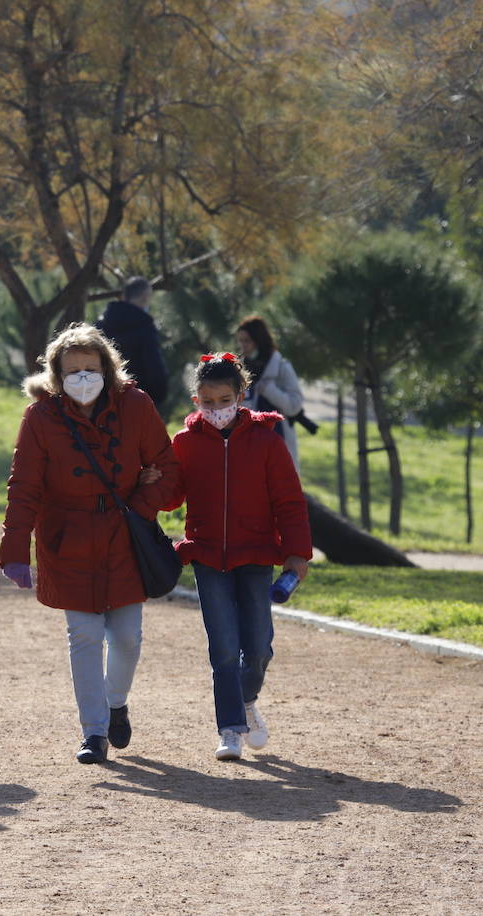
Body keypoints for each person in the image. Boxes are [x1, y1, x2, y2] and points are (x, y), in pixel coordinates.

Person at [0, 323, 180, 765]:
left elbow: (168, 469)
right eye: (73, 370)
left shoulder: (135, 405)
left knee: (128, 637)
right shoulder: (40, 417)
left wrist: (142, 503)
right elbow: (24, 486)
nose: (83, 377)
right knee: (83, 636)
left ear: (108, 368)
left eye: (91, 368)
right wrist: (15, 550)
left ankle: (115, 703)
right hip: (67, 539)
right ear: (57, 375)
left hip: (124, 537)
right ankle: (94, 731)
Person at [163, 352, 312, 761]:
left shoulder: (267, 440)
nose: (216, 410)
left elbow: (289, 501)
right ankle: (229, 728)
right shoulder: (184, 442)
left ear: (242, 395)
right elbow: (173, 498)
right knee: (224, 648)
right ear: (196, 399)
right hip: (208, 558)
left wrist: (297, 554)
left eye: (224, 400)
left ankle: (246, 701)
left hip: (256, 556)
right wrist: (153, 479)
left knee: (260, 647)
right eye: (206, 402)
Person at [236, 315, 309, 470]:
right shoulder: (239, 369)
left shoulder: (282, 368)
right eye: (240, 341)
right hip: (248, 446)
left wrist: (270, 391)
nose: (243, 346)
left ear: (258, 340)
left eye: (246, 341)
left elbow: (295, 405)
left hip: (279, 443)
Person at [96, 276, 168, 408]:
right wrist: (159, 394)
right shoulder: (145, 326)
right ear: (145, 297)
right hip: (138, 397)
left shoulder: (101, 324)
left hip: (104, 397)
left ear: (124, 296)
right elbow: (153, 363)